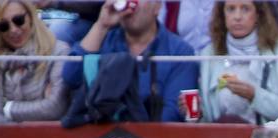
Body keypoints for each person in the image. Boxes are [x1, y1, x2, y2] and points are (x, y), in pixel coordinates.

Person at [64, 0, 197, 122]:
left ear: (157, 7)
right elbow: (70, 77)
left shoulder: (179, 51)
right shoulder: (103, 40)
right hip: (101, 134)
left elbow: (172, 113)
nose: (131, 4)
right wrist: (101, 25)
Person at [199, 0, 278, 124]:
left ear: (258, 15)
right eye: (231, 9)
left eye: (245, 9)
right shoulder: (208, 54)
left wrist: (254, 95)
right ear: (222, 15)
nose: (237, 17)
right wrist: (196, 112)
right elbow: (206, 117)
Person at [0, 0, 69, 122]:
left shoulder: (59, 52)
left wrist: (8, 108)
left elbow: (55, 108)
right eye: (3, 26)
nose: (13, 30)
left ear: (31, 17)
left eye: (18, 20)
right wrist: (40, 105)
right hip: (10, 137)